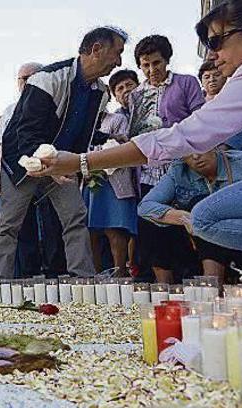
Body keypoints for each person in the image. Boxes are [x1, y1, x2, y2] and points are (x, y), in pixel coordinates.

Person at [31, 0, 242, 307]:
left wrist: (80, 161)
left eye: (217, 42)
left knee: (206, 218)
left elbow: (186, 135)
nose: (213, 56)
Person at [0, 27, 129, 280]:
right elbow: (25, 132)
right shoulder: (47, 79)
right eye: (117, 53)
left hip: (61, 164)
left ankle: (83, 278)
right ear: (96, 49)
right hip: (22, 160)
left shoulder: (99, 92)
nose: (119, 61)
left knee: (75, 217)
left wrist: (79, 163)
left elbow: (80, 133)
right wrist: (49, 166)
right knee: (9, 225)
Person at [128, 34, 206, 283]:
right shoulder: (136, 95)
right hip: (149, 171)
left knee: (184, 224)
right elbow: (135, 131)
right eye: (146, 65)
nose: (152, 69)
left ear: (167, 60)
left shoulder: (186, 83)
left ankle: (194, 280)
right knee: (153, 225)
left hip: (182, 167)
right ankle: (164, 285)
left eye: (157, 63)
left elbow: (201, 120)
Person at [139, 148, 242, 286]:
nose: (196, 156)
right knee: (151, 219)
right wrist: (185, 217)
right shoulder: (178, 170)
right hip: (195, 241)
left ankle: (212, 283)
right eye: (188, 153)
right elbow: (145, 206)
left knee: (204, 207)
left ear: (215, 145)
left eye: (200, 149)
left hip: (238, 235)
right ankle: (164, 286)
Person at [83, 69, 140, 275]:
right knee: (91, 230)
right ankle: (96, 273)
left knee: (114, 228)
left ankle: (120, 273)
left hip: (115, 180)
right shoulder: (83, 124)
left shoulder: (116, 119)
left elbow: (125, 146)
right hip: (91, 181)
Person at [0, 62, 44, 278]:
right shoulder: (8, 111)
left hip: (49, 172)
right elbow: (2, 146)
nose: (26, 83)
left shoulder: (52, 104)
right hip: (16, 174)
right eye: (22, 78)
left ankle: (55, 273)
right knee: (17, 225)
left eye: (31, 78)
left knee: (53, 223)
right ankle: (20, 275)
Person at [199, 60, 242, 154]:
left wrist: (224, 147)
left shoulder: (238, 99)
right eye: (207, 77)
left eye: (216, 75)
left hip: (235, 153)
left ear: (225, 77)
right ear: (201, 82)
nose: (212, 79)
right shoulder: (195, 105)